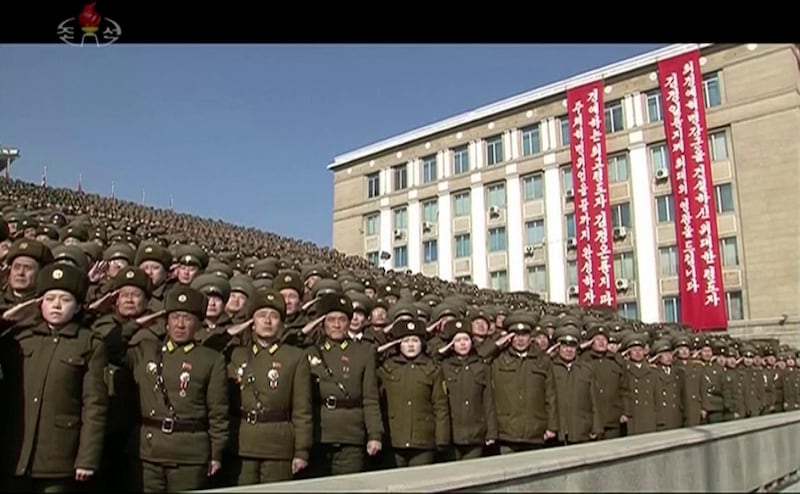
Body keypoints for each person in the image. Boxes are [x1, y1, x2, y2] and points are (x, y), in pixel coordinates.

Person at [2, 263, 108, 492]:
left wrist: (87, 459)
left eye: (65, 300)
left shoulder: (89, 343)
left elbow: (94, 406)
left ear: (79, 306)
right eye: (50, 299)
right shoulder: (18, 338)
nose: (57, 305)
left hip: (58, 456)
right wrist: (6, 320)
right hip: (13, 451)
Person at [227, 289, 313, 485]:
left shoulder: (295, 357)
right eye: (261, 316)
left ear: (282, 324)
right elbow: (206, 349)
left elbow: (302, 410)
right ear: (252, 323)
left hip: (279, 445)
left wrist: (301, 451)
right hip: (243, 443)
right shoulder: (236, 354)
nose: (267, 321)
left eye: (274, 316)